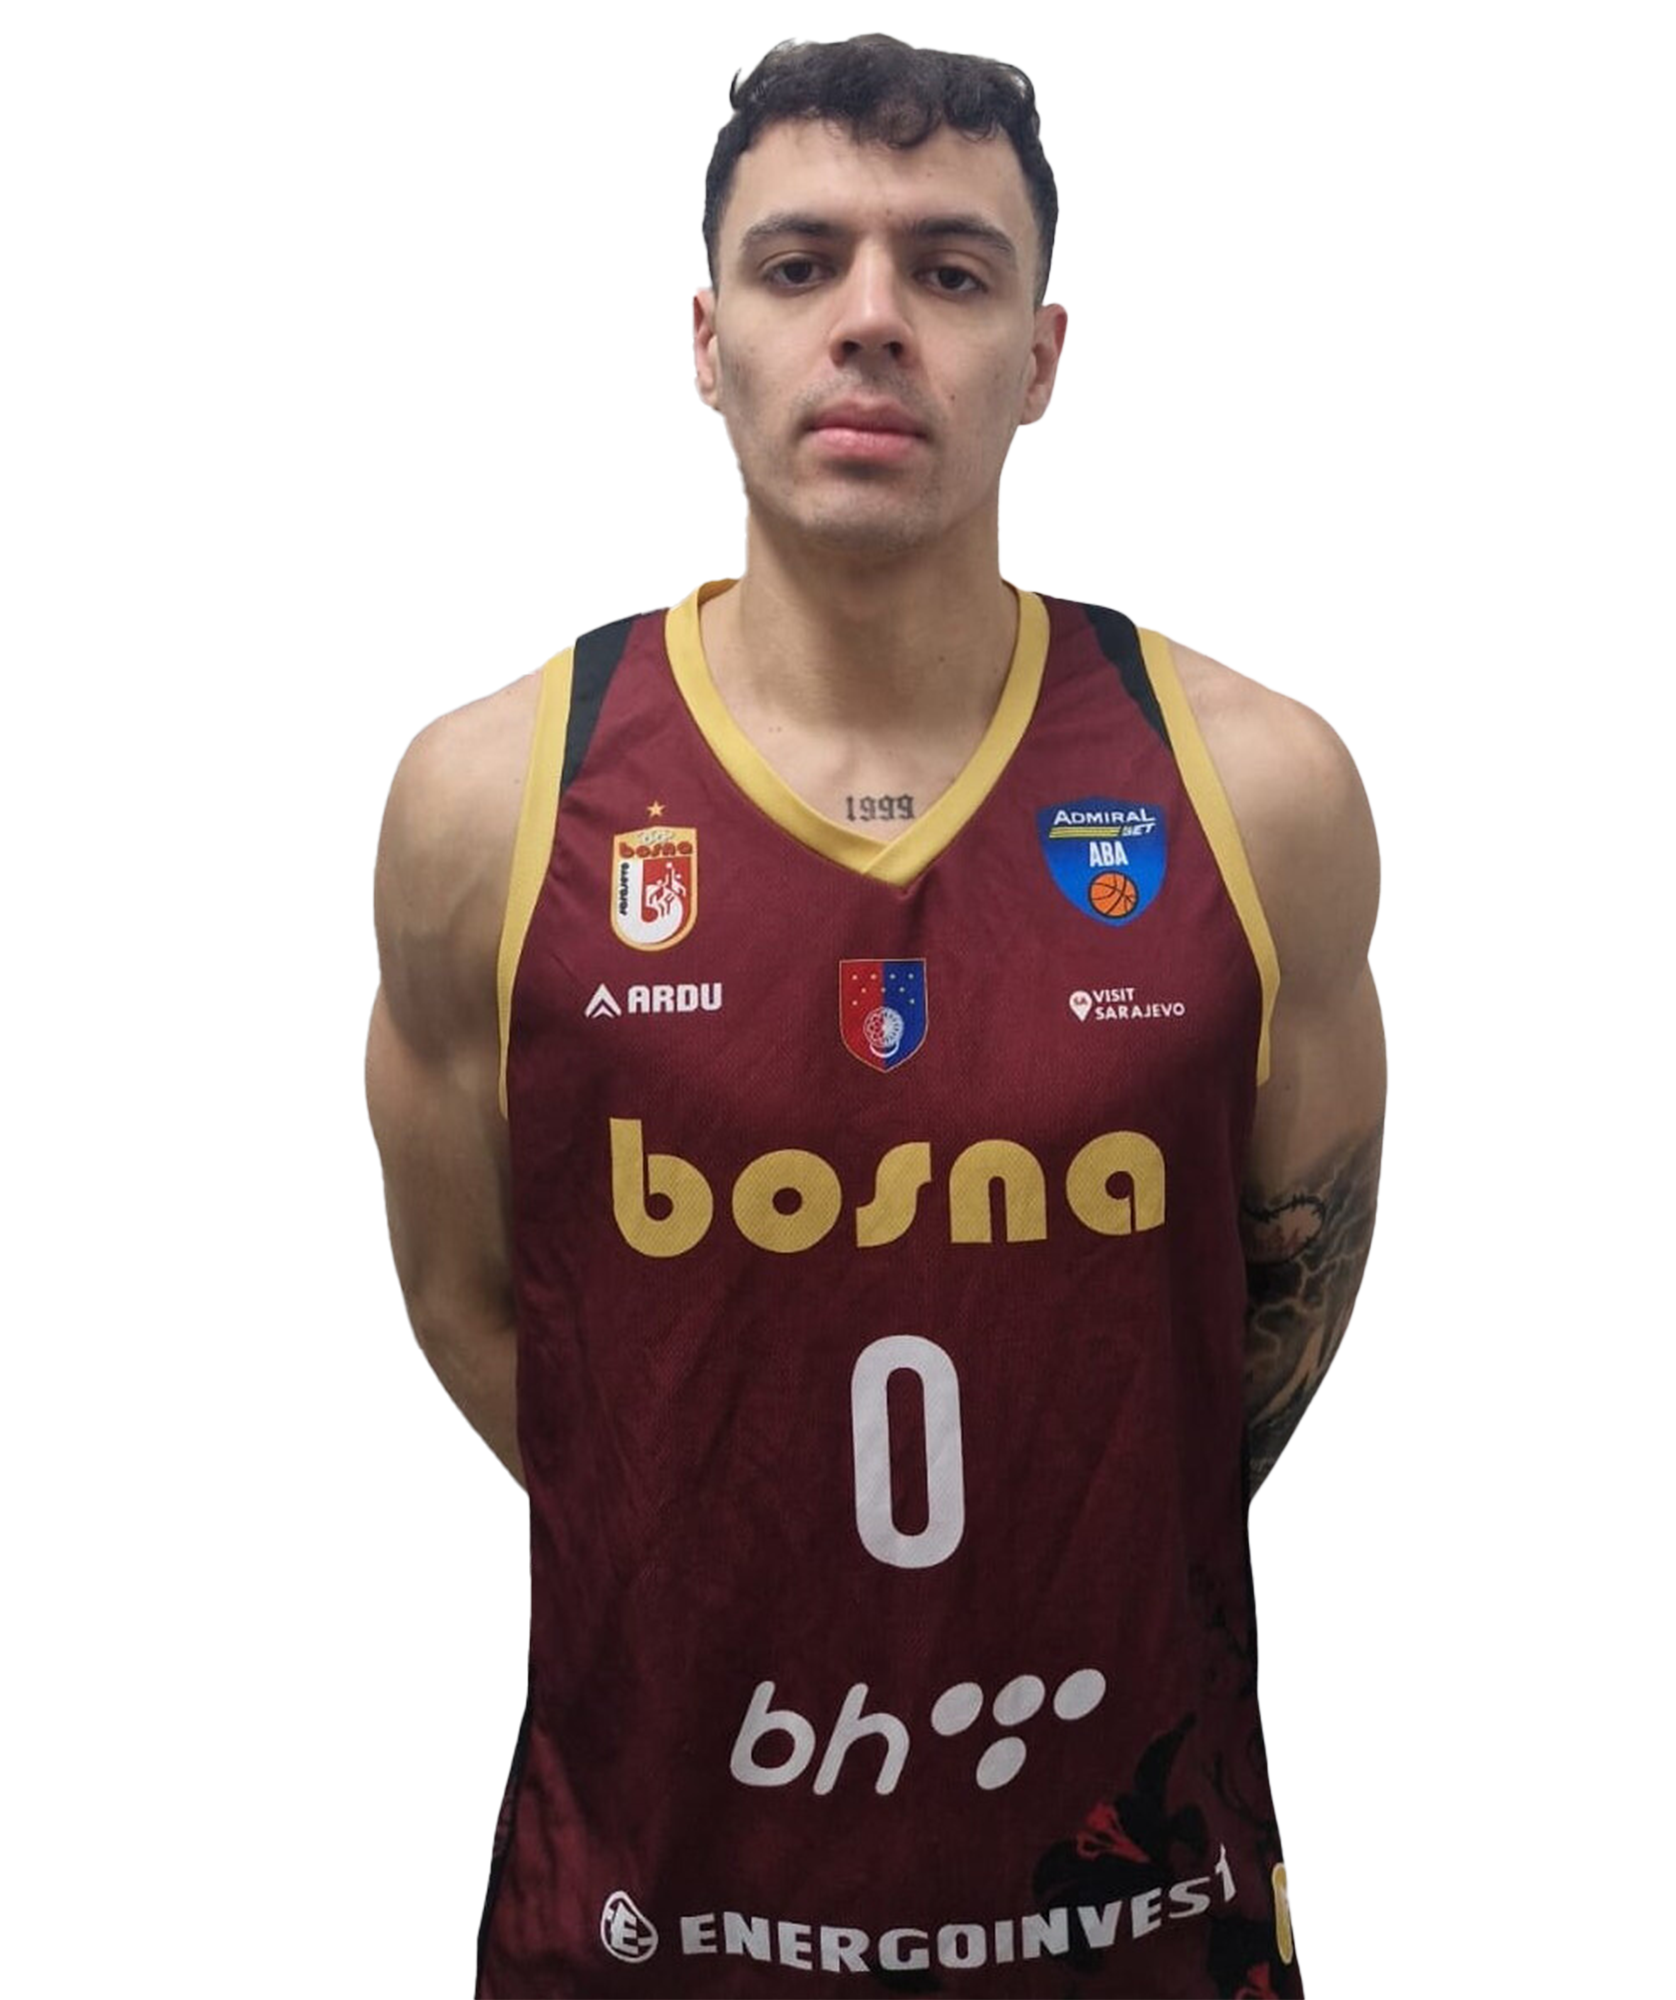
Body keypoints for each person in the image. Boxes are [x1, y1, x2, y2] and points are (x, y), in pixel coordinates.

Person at [364, 32, 1383, 1999]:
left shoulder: (1253, 792)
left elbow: (1264, 1314)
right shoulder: (494, 805)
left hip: (1126, 1904)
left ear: (1042, 356)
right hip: (656, 1905)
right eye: (798, 261)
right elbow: (481, 1308)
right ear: (704, 339)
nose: (870, 320)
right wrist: (730, 1562)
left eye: (951, 269)